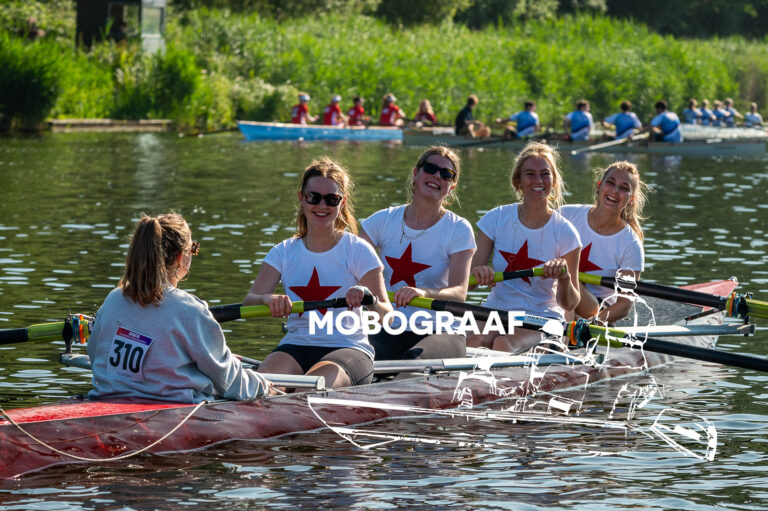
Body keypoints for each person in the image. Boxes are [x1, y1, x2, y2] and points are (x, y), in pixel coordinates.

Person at [87, 213, 271, 403]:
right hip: (171, 409)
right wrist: (262, 386)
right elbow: (229, 381)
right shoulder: (190, 310)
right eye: (193, 249)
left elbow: (94, 353)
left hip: (106, 401)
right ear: (181, 257)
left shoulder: (113, 299)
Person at [244, 158, 392, 388]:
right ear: (301, 198)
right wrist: (267, 299)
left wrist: (368, 297)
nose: (322, 205)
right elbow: (249, 302)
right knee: (259, 389)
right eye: (314, 197)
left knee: (308, 388)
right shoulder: (283, 252)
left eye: (331, 199)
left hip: (348, 348)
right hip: (296, 345)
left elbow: (388, 316)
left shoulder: (358, 250)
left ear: (342, 203)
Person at [361, 147, 476, 363]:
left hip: (442, 330)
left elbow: (460, 293)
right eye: (430, 168)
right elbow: (349, 265)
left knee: (413, 360)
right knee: (362, 357)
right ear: (415, 173)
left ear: (451, 187)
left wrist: (423, 292)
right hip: (392, 325)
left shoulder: (459, 229)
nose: (437, 176)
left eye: (446, 174)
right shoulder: (381, 221)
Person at [468, 142, 581, 354]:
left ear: (553, 181)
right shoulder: (495, 218)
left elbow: (571, 303)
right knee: (474, 340)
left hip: (541, 316)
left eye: (545, 174)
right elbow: (467, 285)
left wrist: (564, 277)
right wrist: (478, 273)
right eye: (530, 174)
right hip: (497, 310)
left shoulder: (565, 232)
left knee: (504, 344)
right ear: (518, 181)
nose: (538, 181)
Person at [560, 161, 649, 324]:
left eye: (624, 188)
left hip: (596, 309)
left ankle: (568, 326)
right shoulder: (566, 215)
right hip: (556, 295)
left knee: (564, 275)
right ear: (599, 185)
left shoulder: (631, 245)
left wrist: (590, 324)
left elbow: (624, 305)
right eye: (611, 183)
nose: (615, 191)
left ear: (632, 198)